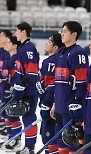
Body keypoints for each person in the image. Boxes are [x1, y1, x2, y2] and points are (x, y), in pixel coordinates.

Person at [50, 21, 89, 153]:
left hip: (71, 106)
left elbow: (82, 81)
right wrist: (55, 103)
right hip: (60, 105)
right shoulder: (60, 52)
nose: (62, 34)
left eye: (65, 31)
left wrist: (78, 101)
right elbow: (58, 81)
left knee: (73, 141)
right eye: (62, 31)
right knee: (62, 140)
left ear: (74, 34)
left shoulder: (79, 53)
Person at [36, 33, 64, 154]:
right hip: (54, 104)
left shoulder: (51, 62)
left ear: (56, 47)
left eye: (49, 41)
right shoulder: (54, 60)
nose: (46, 43)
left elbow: (52, 85)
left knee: (49, 138)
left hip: (51, 105)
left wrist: (47, 103)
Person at [14, 22, 39, 154]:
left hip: (29, 91)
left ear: (24, 32)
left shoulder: (28, 48)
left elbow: (32, 72)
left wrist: (21, 86)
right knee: (25, 118)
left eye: (17, 31)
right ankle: (27, 146)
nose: (15, 33)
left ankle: (30, 148)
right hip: (24, 90)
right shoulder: (22, 48)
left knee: (29, 117)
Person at [0, 36, 22, 152]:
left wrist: (13, 86)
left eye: (9, 42)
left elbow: (17, 76)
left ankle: (16, 139)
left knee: (13, 115)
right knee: (7, 115)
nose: (6, 44)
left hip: (11, 92)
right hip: (5, 90)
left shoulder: (16, 59)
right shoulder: (8, 58)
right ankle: (10, 136)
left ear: (15, 45)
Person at [0, 30, 11, 143]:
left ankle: (7, 133)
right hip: (2, 87)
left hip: (7, 87)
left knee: (7, 112)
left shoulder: (8, 53)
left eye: (1, 36)